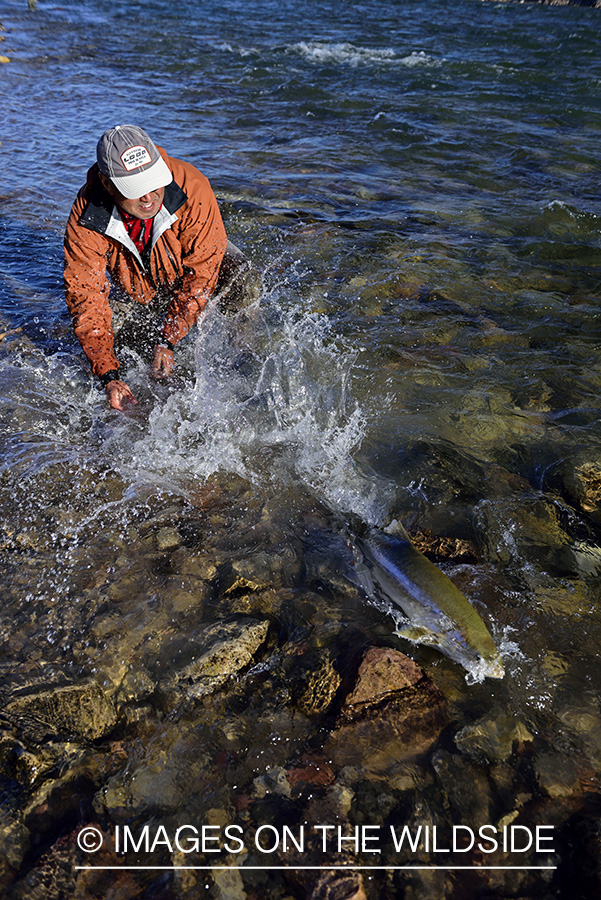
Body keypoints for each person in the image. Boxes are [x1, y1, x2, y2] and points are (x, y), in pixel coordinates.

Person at [64, 124, 257, 410]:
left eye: (154, 182)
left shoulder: (191, 185)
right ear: (107, 184)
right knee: (98, 348)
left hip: (186, 270)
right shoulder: (86, 215)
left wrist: (169, 338)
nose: (149, 196)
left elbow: (203, 271)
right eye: (137, 189)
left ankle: (245, 358)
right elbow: (86, 295)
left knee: (244, 275)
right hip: (137, 287)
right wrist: (109, 375)